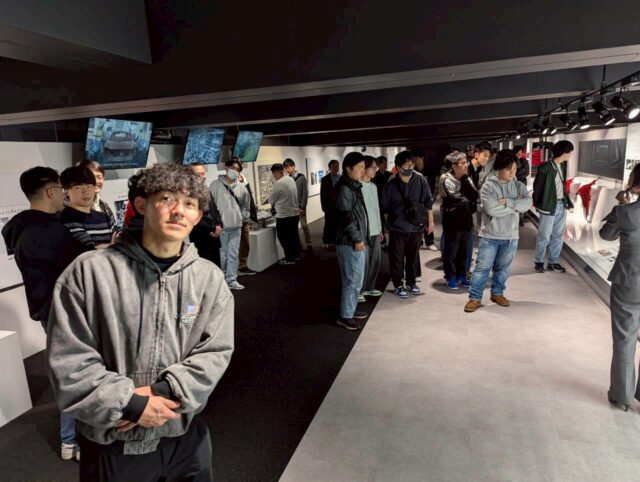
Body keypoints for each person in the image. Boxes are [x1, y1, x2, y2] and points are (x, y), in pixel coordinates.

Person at [47, 163, 234, 481]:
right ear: (141, 205)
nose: (179, 211)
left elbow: (215, 352)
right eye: (167, 199)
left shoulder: (209, 279)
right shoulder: (90, 273)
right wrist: (131, 404)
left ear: (198, 216)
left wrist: (165, 391)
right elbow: (70, 362)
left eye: (190, 204)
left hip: (184, 438)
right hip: (114, 443)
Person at [1, 166, 89, 462]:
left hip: (48, 310)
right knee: (77, 376)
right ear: (51, 191)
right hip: (67, 311)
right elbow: (81, 266)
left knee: (69, 373)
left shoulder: (19, 228)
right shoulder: (49, 231)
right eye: (63, 189)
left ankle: (71, 438)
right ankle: (72, 439)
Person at [464, 150, 532, 313]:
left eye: (514, 169)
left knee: (503, 269)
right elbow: (491, 209)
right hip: (490, 235)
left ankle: (497, 293)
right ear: (499, 168)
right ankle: (475, 298)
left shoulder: (519, 186)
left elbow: (527, 204)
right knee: (482, 268)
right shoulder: (489, 186)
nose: (512, 173)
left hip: (511, 236)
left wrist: (508, 202)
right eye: (509, 169)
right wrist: (515, 206)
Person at [600, 164, 640, 411]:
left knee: (625, 338)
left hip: (629, 280)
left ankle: (622, 396)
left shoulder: (625, 212)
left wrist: (621, 204)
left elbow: (606, 235)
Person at [381, 150, 433, 299]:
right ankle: (398, 284)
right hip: (397, 228)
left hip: (416, 226)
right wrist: (388, 225)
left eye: (411, 165)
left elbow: (428, 201)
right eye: (406, 165)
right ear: (398, 167)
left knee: (413, 257)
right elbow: (385, 207)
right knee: (396, 258)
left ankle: (411, 283)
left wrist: (430, 221)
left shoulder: (420, 180)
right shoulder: (391, 184)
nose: (410, 168)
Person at [334, 152, 369, 330]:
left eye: (364, 167)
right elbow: (346, 216)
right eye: (360, 167)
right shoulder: (345, 189)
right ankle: (346, 316)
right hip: (348, 242)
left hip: (354, 240)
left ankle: (350, 309)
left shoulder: (352, 186)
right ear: (348, 169)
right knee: (352, 280)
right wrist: (356, 238)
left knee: (355, 279)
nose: (363, 171)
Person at [533, 140, 574, 273]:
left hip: (561, 204)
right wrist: (537, 203)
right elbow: (537, 186)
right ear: (564, 152)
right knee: (544, 235)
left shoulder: (563, 166)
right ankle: (539, 261)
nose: (571, 154)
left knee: (558, 235)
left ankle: (553, 262)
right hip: (548, 204)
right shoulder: (545, 167)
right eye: (570, 152)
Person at [209, 160, 250, 290]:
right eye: (233, 168)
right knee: (222, 255)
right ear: (226, 168)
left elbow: (246, 206)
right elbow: (210, 207)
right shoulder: (215, 185)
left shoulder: (241, 187)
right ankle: (222, 280)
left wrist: (241, 218)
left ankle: (232, 279)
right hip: (221, 228)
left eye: (237, 170)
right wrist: (215, 224)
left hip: (236, 227)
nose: (235, 171)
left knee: (233, 255)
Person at [441, 152, 479, 290]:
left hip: (466, 220)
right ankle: (450, 277)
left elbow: (474, 195)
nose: (465, 166)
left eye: (466, 163)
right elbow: (454, 199)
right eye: (462, 163)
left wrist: (466, 181)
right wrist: (467, 200)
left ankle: (461, 275)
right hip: (452, 221)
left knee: (464, 251)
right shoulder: (446, 179)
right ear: (453, 166)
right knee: (451, 251)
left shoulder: (466, 178)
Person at [59, 165, 115, 249]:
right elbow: (89, 249)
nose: (85, 191)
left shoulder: (104, 217)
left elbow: (122, 240)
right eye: (78, 187)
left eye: (89, 186)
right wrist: (114, 246)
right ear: (66, 191)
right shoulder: (66, 218)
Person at [189, 163, 223, 268]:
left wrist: (219, 225)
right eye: (198, 174)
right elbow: (194, 216)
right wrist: (213, 228)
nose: (202, 176)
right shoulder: (188, 193)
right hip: (200, 238)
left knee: (216, 269)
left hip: (214, 238)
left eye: (203, 173)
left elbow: (215, 210)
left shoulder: (206, 190)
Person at [359, 156, 383, 300]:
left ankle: (369, 287)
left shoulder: (373, 186)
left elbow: (376, 208)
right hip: (364, 231)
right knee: (364, 262)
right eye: (373, 167)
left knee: (375, 261)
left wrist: (379, 228)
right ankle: (360, 290)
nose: (375, 170)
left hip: (375, 229)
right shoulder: (358, 187)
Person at [269, 163, 301, 264]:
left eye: (273, 173)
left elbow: (271, 199)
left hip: (284, 215)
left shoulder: (278, 183)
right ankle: (296, 255)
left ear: (276, 172)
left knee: (283, 237)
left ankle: (289, 259)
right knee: (293, 236)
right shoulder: (290, 179)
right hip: (294, 214)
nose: (273, 175)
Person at [234, 158, 258, 276]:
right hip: (234, 218)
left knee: (245, 243)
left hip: (244, 217)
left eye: (237, 168)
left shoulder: (244, 179)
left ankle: (242, 265)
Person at [283, 158, 312, 252]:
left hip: (300, 207)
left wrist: (303, 207)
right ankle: (298, 245)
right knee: (294, 228)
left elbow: (305, 193)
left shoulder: (301, 177)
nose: (287, 170)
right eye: (286, 168)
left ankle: (309, 244)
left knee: (304, 226)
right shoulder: (287, 179)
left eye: (288, 167)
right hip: (291, 208)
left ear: (293, 166)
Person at [412, 149, 438, 251]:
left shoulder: (429, 170)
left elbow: (432, 186)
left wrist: (430, 199)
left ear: (422, 158)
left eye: (416, 157)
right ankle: (419, 241)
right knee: (416, 220)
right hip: (416, 200)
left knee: (428, 220)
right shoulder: (413, 171)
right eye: (413, 158)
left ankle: (430, 242)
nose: (414, 159)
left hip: (426, 199)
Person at [78, 160, 115, 226]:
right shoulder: (71, 206)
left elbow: (113, 227)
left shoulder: (104, 206)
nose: (96, 181)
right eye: (91, 177)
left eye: (99, 177)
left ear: (103, 178)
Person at [320, 159, 341, 247]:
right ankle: (326, 241)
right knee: (328, 223)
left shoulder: (341, 178)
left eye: (337, 166)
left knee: (338, 223)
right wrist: (323, 206)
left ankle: (337, 240)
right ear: (329, 168)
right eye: (334, 166)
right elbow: (322, 194)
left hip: (339, 205)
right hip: (329, 206)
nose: (336, 168)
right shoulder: (325, 179)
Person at [373, 156, 392, 247]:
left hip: (389, 202)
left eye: (386, 163)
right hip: (379, 201)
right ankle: (383, 240)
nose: (385, 165)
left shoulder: (390, 175)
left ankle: (391, 241)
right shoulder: (375, 176)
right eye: (383, 163)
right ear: (378, 164)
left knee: (390, 221)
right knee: (380, 222)